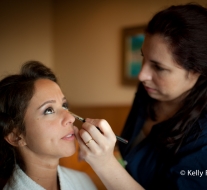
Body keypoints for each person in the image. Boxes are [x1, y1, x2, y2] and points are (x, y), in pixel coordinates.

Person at [75, 3, 207, 190]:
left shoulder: (203, 139)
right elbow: (130, 158)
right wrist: (104, 150)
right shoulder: (148, 92)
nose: (142, 75)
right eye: (143, 57)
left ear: (197, 72)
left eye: (159, 67)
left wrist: (104, 164)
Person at [0, 61, 97, 190]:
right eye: (49, 110)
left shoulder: (82, 181)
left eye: (64, 106)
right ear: (15, 136)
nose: (71, 117)